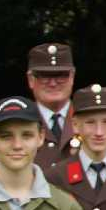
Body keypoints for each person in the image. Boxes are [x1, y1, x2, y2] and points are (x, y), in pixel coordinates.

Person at [27, 43, 77, 171]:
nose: (53, 83)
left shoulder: (90, 119)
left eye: (61, 75)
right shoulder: (20, 121)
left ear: (72, 77)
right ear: (31, 79)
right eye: (44, 76)